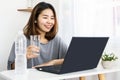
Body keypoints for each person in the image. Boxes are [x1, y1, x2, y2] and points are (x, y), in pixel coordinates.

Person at [7, 2, 68, 70]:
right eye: (45, 17)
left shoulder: (56, 40)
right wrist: (23, 57)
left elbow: (72, 59)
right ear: (35, 19)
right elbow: (11, 68)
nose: (49, 21)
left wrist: (53, 63)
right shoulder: (23, 39)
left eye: (52, 18)